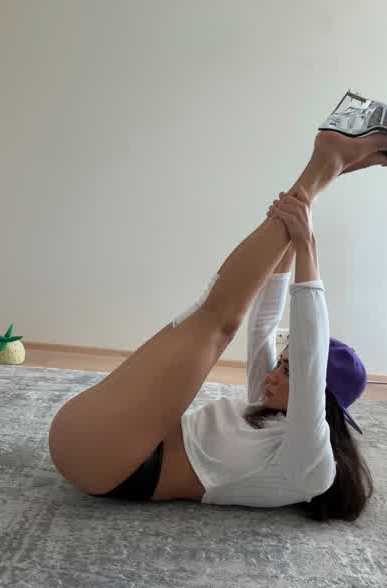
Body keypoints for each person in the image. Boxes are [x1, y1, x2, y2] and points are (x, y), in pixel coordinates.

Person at [48, 130, 387, 522]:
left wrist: (306, 244)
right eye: (281, 364)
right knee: (211, 315)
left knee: (217, 321)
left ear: (323, 398)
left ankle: (324, 167)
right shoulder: (267, 406)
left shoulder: (311, 466)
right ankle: (327, 168)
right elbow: (263, 325)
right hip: (116, 438)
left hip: (114, 464)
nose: (273, 375)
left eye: (287, 371)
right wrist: (290, 239)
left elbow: (310, 360)